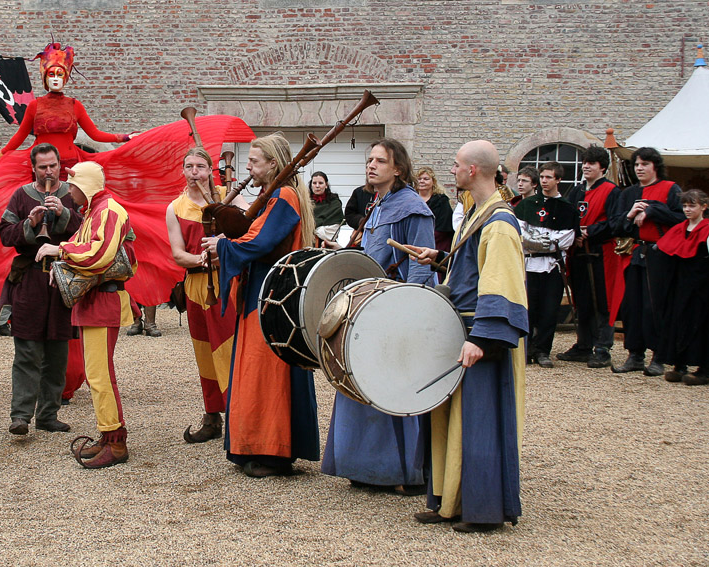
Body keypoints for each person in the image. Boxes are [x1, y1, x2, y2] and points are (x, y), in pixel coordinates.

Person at [410, 140, 527, 533]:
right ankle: (449, 501)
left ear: (473, 171)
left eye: (457, 164)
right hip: (460, 328)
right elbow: (474, 267)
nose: (453, 169)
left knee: (479, 421)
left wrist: (483, 337)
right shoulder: (477, 212)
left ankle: (482, 510)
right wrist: (439, 258)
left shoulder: (500, 222)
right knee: (449, 421)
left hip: (480, 336)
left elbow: (502, 284)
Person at [201, 132, 320, 478]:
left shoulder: (284, 194)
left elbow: (260, 241)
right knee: (260, 369)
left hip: (270, 295)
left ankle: (271, 450)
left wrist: (222, 246)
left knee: (265, 371)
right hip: (266, 291)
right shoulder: (276, 195)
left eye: (254, 161)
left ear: (273, 163)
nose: (249, 167)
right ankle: (262, 446)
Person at [322, 139, 436, 494]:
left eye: (380, 161)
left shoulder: (412, 207)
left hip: (393, 310)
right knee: (361, 383)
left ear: (398, 168)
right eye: (369, 159)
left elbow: (420, 267)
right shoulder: (378, 203)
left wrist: (407, 311)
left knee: (394, 387)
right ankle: (365, 465)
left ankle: (403, 470)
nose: (371, 166)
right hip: (367, 307)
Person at [37, 161, 139, 468]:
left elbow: (100, 255)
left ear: (87, 185)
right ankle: (109, 436)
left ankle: (115, 442)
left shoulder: (108, 210)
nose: (69, 189)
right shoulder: (96, 211)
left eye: (74, 183)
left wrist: (60, 251)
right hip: (95, 300)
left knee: (99, 375)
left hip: (103, 301)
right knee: (98, 374)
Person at [0, 143, 82, 436]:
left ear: (60, 165)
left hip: (62, 281)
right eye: (43, 167)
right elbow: (5, 235)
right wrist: (30, 222)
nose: (49, 171)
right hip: (30, 281)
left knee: (58, 352)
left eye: (53, 166)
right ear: (33, 168)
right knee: (27, 352)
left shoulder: (73, 193)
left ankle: (48, 414)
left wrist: (63, 214)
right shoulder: (21, 195)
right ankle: (20, 416)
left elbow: (87, 232)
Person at [165, 147, 245, 442]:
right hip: (196, 287)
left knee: (231, 349)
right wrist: (203, 260)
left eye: (200, 166)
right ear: (183, 171)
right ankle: (212, 416)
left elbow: (252, 229)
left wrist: (225, 242)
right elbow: (177, 254)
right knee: (204, 354)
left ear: (211, 170)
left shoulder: (229, 197)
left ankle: (240, 415)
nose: (194, 171)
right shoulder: (175, 207)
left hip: (227, 283)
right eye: (189, 166)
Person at [0, 42, 136, 170]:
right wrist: (1, 154)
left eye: (59, 74)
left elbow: (95, 134)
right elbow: (20, 136)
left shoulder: (75, 105)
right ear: (45, 78)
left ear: (65, 77)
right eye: (51, 74)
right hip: (42, 167)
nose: (55, 79)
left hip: (70, 165)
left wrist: (125, 137)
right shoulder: (35, 105)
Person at [611, 147, 685, 376]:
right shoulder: (629, 193)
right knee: (632, 306)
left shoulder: (670, 189)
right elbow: (616, 226)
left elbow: (681, 219)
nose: (639, 168)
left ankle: (659, 356)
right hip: (636, 253)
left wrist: (653, 211)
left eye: (644, 164)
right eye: (636, 165)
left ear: (655, 166)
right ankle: (635, 354)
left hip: (661, 254)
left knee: (655, 306)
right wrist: (630, 214)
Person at [557, 146, 621, 368]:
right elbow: (566, 215)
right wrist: (574, 233)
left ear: (602, 167)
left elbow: (615, 222)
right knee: (581, 300)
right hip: (578, 253)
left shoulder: (612, 191)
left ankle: (603, 347)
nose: (586, 166)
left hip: (600, 254)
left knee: (603, 301)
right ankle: (584, 345)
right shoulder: (576, 191)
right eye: (584, 162)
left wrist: (590, 232)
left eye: (591, 163)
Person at [514, 162, 578, 368]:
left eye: (549, 177)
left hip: (553, 266)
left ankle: (543, 351)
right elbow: (520, 234)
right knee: (529, 310)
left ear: (558, 180)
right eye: (541, 177)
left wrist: (539, 243)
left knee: (549, 311)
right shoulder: (526, 205)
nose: (544, 181)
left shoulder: (567, 208)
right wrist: (543, 242)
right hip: (530, 266)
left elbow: (565, 239)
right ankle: (527, 349)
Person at [655, 189, 709, 385]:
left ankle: (704, 369)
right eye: (685, 205)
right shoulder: (679, 228)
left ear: (704, 206)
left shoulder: (707, 229)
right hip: (680, 285)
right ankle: (680, 365)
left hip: (701, 288)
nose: (687, 209)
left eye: (692, 205)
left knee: (701, 326)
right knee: (678, 322)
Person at [416, 166, 454, 252]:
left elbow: (444, 226)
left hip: (437, 243)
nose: (422, 181)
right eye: (419, 179)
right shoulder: (411, 199)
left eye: (426, 179)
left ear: (433, 182)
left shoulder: (441, 201)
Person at [310, 171, 345, 245]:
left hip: (327, 245)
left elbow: (333, 231)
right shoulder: (305, 203)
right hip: (306, 243)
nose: (317, 186)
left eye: (320, 183)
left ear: (326, 185)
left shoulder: (335, 203)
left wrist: (311, 227)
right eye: (314, 183)